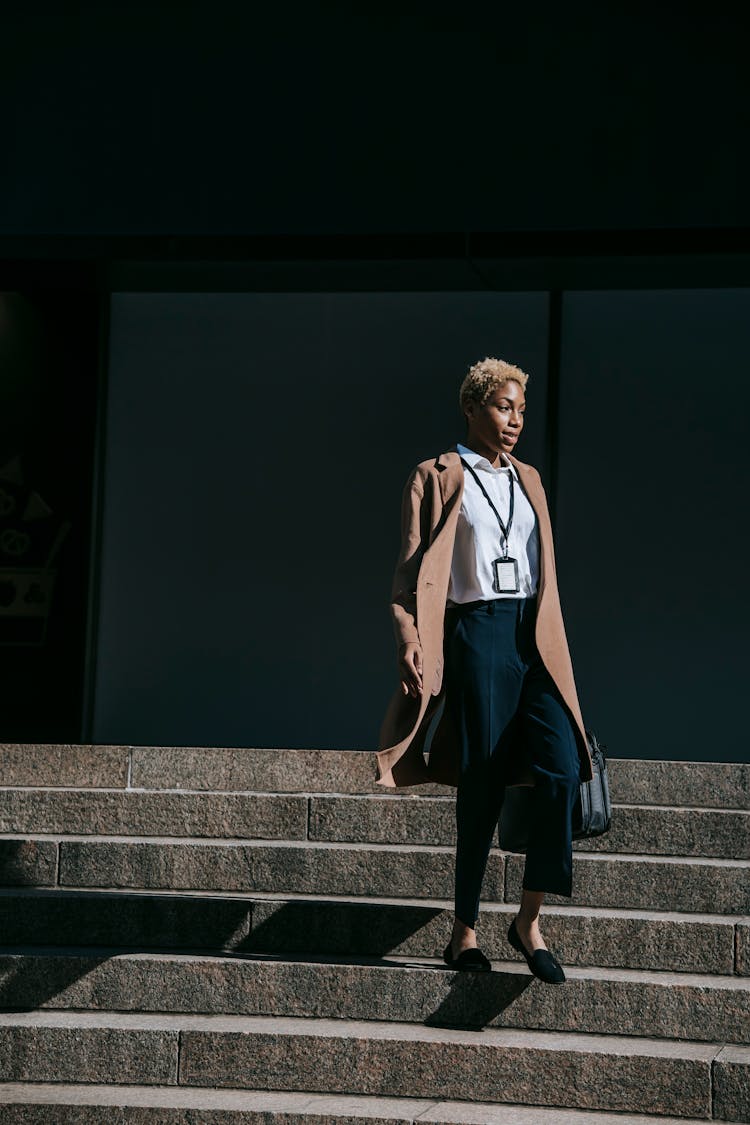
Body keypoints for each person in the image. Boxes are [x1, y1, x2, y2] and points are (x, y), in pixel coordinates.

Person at [375, 356, 594, 984]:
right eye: (503, 407)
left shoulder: (529, 479)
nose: (515, 420)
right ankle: (464, 930)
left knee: (564, 766)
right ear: (471, 407)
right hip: (475, 632)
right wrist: (409, 636)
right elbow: (407, 576)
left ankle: (528, 920)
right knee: (483, 781)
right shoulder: (436, 475)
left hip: (535, 637)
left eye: (522, 410)